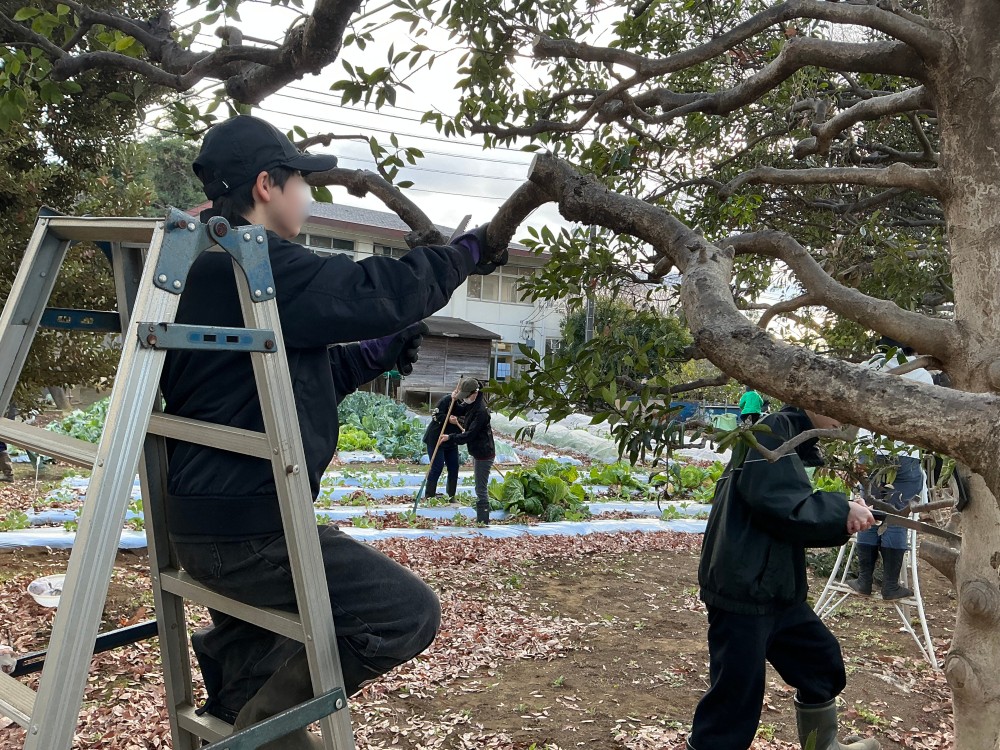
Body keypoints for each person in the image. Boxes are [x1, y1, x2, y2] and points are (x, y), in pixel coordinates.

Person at [159, 115, 509, 748]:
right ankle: (267, 726)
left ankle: (249, 715)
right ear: (267, 185)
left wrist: (378, 350)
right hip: (253, 531)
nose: (308, 197)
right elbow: (378, 288)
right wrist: (467, 252)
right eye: (300, 182)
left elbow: (289, 376)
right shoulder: (257, 266)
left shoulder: (208, 272)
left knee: (248, 667)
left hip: (207, 523)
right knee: (407, 615)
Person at [689, 404, 880, 750]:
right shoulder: (773, 428)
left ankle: (823, 744)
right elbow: (779, 503)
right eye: (835, 399)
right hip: (744, 591)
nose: (848, 411)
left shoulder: (792, 435)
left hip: (775, 587)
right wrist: (841, 510)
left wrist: (845, 514)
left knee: (820, 663)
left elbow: (788, 510)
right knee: (735, 700)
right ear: (809, 396)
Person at [847, 338, 933, 600]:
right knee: (896, 516)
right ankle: (890, 585)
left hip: (868, 450)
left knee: (870, 511)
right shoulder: (920, 373)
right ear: (911, 346)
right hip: (903, 454)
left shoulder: (868, 366)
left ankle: (864, 581)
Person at [438, 378, 494, 525]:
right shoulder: (472, 404)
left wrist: (450, 437)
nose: (465, 399)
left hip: (484, 454)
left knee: (480, 488)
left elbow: (468, 435)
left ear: (475, 393)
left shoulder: (481, 411)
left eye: (466, 396)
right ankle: (482, 520)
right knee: (479, 486)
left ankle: (483, 522)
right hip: (477, 452)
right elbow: (459, 409)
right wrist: (454, 400)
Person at [421, 385, 469, 501]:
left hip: (451, 439)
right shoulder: (447, 400)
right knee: (437, 466)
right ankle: (429, 495)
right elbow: (435, 415)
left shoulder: (468, 406)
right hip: (437, 438)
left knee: (454, 466)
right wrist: (448, 420)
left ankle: (451, 495)